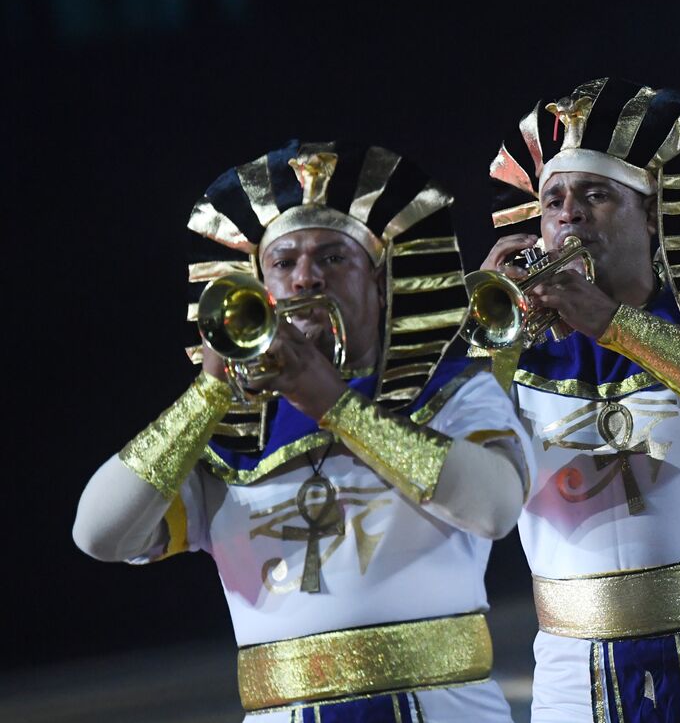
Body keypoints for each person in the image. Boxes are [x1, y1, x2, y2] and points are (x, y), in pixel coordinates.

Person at [73, 141, 530, 722]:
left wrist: (333, 403)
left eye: (333, 258)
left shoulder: (451, 391)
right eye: (283, 263)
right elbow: (99, 535)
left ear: (381, 282)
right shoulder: (231, 436)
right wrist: (208, 395)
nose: (305, 278)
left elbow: (495, 507)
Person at [480, 79, 680, 722]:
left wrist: (613, 324)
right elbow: (475, 499)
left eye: (595, 195)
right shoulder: (513, 354)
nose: (568, 214)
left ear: (653, 215)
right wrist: (487, 347)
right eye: (552, 202)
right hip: (574, 687)